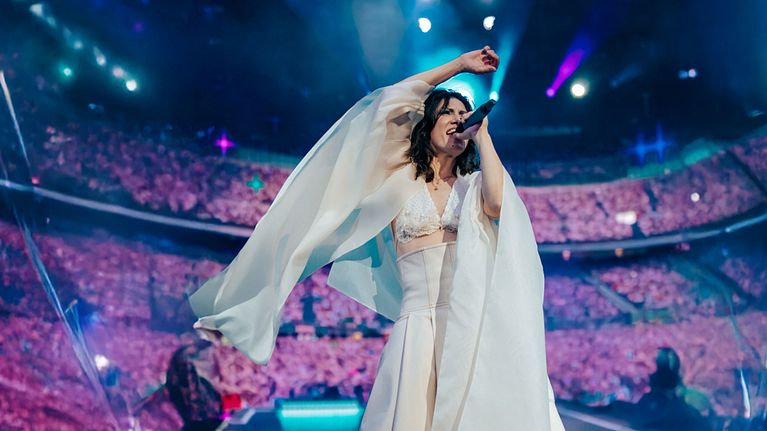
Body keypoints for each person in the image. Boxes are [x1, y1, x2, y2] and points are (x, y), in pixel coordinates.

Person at [189, 46, 565, 430]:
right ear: (427, 123)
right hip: (419, 330)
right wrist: (459, 66)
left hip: (472, 326)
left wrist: (482, 136)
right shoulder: (396, 178)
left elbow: (499, 204)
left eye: (464, 113)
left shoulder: (473, 186)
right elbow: (389, 102)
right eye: (448, 112)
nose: (459, 119)